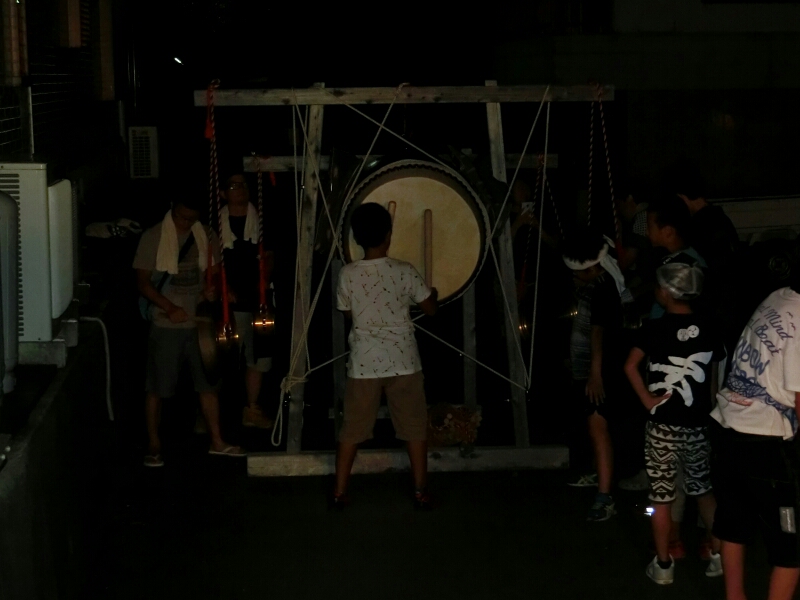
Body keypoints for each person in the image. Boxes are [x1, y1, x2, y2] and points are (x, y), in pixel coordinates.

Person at [624, 262, 725, 585]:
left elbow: (630, 366)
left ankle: (664, 564)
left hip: (662, 427)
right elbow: (713, 378)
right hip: (698, 425)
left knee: (661, 496)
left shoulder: (654, 327)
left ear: (665, 293)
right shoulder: (710, 327)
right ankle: (718, 556)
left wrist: (647, 399)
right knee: (703, 490)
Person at [333, 203, 438, 509]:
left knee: (352, 430)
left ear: (356, 238)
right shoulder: (404, 270)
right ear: (389, 235)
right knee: (414, 428)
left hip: (364, 364)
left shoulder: (347, 273)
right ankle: (420, 491)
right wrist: (433, 294)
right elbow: (430, 309)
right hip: (404, 362)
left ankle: (339, 492)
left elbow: (348, 313)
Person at [134, 197, 244, 466]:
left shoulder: (205, 234)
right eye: (181, 217)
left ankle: (217, 441)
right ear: (172, 208)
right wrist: (169, 307)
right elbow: (143, 283)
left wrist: (216, 290)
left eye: (190, 219)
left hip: (200, 323)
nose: (185, 223)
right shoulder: (153, 236)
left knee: (208, 384)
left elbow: (215, 273)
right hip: (166, 323)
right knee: (157, 387)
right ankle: (154, 444)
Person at [711, 282, 800, 600]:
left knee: (734, 528)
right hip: (766, 441)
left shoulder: (778, 297)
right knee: (792, 549)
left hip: (729, 428)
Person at [563, 231, 631, 521]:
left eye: (577, 273)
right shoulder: (599, 284)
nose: (574, 277)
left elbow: (598, 332)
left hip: (603, 369)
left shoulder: (603, 289)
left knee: (598, 425)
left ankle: (605, 497)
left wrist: (595, 374)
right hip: (598, 367)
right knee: (595, 425)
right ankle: (599, 474)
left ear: (592, 269)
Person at [220, 173, 275, 429]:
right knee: (224, 358)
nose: (240, 189)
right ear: (223, 193)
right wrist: (223, 288)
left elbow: (270, 256)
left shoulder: (261, 220)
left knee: (259, 358)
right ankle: (220, 412)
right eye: (233, 185)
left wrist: (264, 279)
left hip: (258, 300)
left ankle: (252, 409)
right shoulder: (216, 224)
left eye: (243, 185)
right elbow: (209, 263)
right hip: (227, 303)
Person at [646, 195, 707, 320]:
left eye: (649, 227)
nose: (646, 232)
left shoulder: (691, 269)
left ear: (668, 232)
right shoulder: (664, 260)